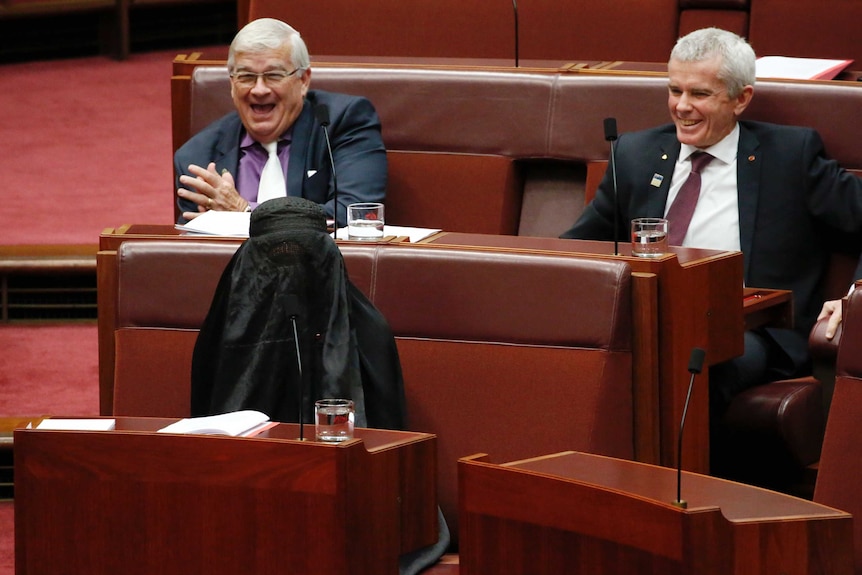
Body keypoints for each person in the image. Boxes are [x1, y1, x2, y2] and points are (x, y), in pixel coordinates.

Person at [560, 28, 862, 434]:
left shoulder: (791, 156)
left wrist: (855, 297)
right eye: (674, 90)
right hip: (646, 321)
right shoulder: (636, 153)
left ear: (741, 99)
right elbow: (577, 245)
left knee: (690, 363)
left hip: (749, 331)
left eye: (700, 94)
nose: (682, 107)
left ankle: (663, 488)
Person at [174, 18, 387, 226]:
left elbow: (356, 213)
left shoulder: (342, 122)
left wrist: (246, 214)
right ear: (232, 83)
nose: (259, 89)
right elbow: (195, 251)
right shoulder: (199, 157)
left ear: (303, 80)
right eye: (246, 76)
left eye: (273, 75)